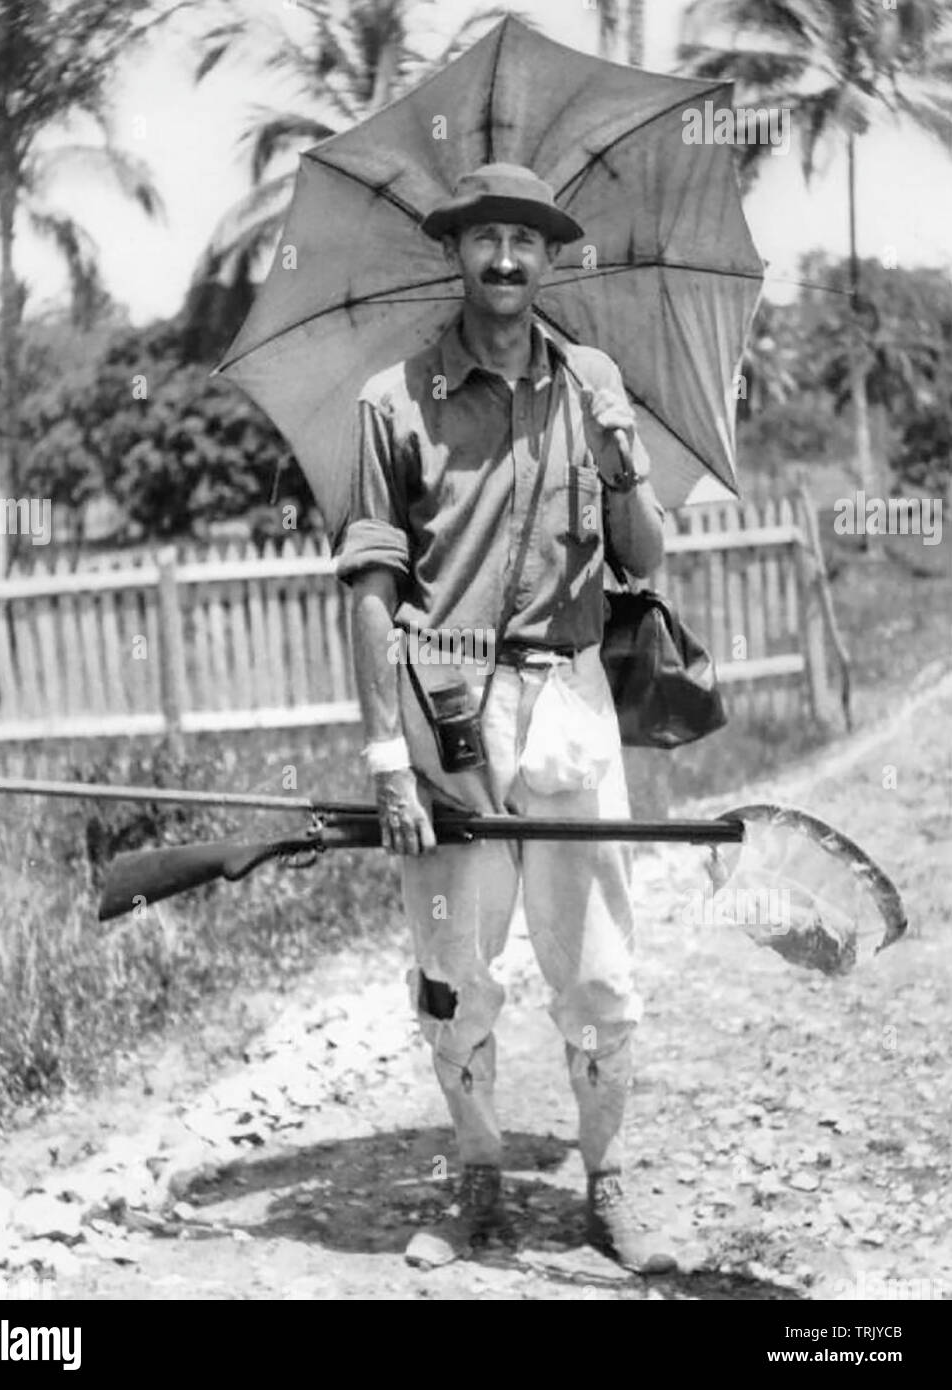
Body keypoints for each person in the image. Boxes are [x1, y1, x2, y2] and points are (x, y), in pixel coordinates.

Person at [335, 163, 673, 1273]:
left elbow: (641, 559)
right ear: (455, 252)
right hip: (445, 712)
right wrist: (388, 753)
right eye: (484, 238)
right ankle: (477, 1174)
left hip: (569, 699)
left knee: (596, 967)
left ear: (551, 256)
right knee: (453, 966)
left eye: (526, 242)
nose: (506, 260)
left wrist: (621, 456)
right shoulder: (396, 400)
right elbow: (373, 593)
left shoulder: (592, 383)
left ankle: (606, 1180)